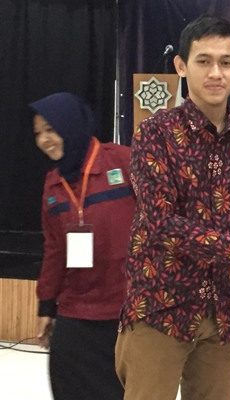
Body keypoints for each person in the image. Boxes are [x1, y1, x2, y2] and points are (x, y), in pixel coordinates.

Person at [115, 15, 230, 400]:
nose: (216, 73)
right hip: (161, 307)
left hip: (225, 311)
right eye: (203, 61)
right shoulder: (155, 133)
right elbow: (162, 224)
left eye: (226, 62)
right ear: (181, 66)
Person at [30, 92, 135, 400]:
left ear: (71, 124)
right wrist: (46, 305)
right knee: (68, 385)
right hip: (76, 307)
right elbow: (54, 250)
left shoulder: (122, 161)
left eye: (51, 129)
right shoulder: (53, 184)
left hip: (129, 308)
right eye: (38, 133)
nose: (44, 140)